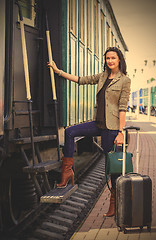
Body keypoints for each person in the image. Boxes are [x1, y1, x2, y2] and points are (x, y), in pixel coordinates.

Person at [48, 47, 131, 217]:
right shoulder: (102, 76)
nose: (110, 61)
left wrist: (120, 132)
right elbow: (80, 80)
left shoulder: (125, 80)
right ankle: (67, 172)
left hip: (112, 128)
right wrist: (59, 72)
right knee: (70, 132)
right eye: (107, 58)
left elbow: (123, 107)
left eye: (113, 58)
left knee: (112, 167)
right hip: (98, 124)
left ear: (119, 60)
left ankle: (114, 202)